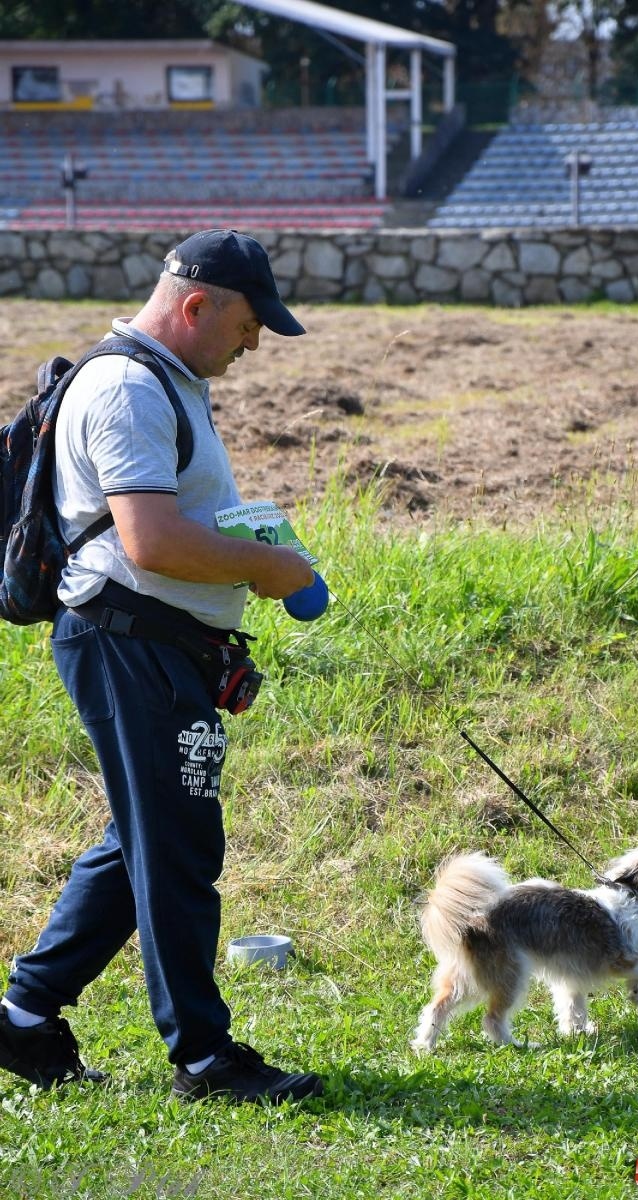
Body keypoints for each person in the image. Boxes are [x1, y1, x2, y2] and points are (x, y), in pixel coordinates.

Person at [0, 229, 324, 1104]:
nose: (252, 345)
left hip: (154, 643)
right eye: (251, 326)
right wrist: (268, 569)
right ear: (196, 306)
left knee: (142, 838)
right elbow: (149, 538)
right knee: (178, 845)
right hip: (127, 641)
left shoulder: (164, 381)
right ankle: (206, 1059)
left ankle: (24, 1018)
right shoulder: (125, 387)